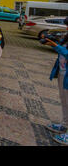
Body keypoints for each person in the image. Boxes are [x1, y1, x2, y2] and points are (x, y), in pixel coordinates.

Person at [44, 16, 68, 146]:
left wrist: (56, 46)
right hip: (63, 73)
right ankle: (64, 125)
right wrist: (53, 44)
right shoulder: (66, 36)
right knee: (64, 100)